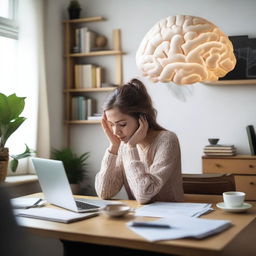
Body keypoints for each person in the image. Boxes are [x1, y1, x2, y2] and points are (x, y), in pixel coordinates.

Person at [95, 78, 184, 204]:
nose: (115, 132)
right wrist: (113, 148)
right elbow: (104, 192)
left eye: (122, 124)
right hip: (139, 217)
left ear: (141, 118)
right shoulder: (123, 145)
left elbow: (144, 195)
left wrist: (131, 147)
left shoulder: (167, 140)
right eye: (111, 124)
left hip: (172, 217)